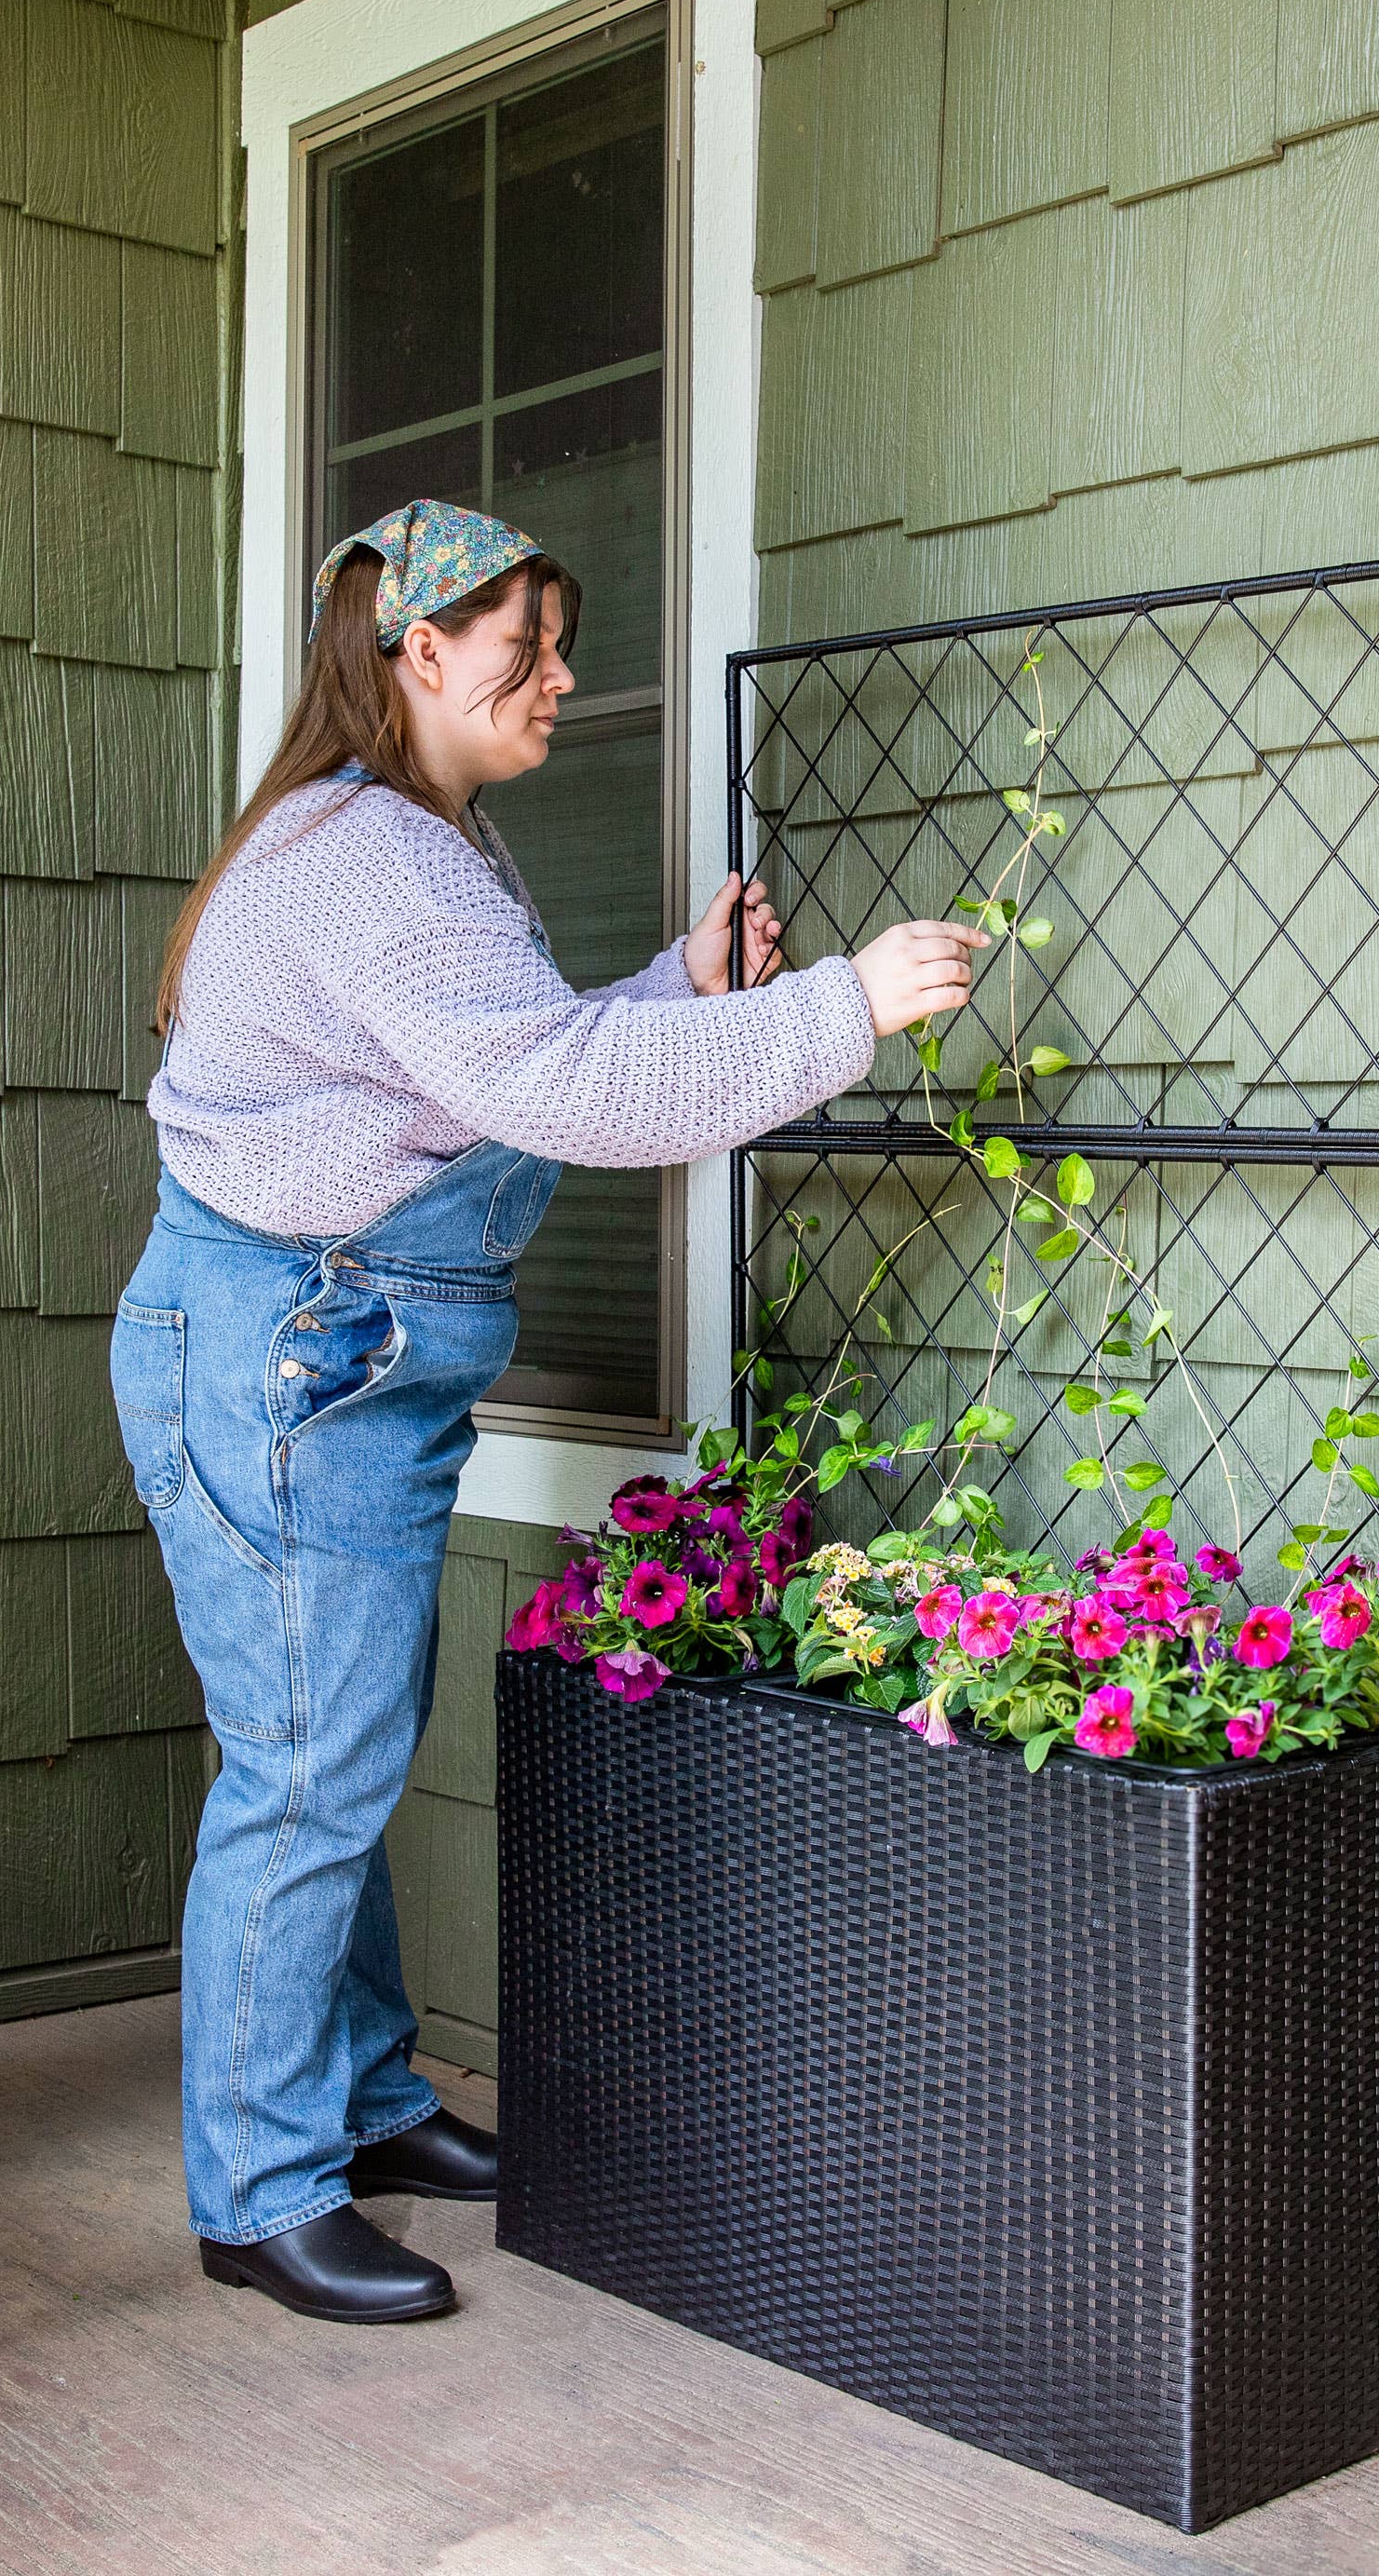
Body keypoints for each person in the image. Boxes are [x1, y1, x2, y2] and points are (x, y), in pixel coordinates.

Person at [114, 497, 981, 2324]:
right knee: (310, 1766)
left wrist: (682, 991)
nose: (562, 682)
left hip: (323, 1352)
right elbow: (570, 1092)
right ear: (417, 653)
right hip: (290, 1358)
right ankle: (258, 2189)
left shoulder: (419, 844)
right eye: (530, 650)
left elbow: (499, 1071)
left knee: (333, 1739)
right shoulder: (372, 862)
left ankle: (352, 2100)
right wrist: (843, 1011)